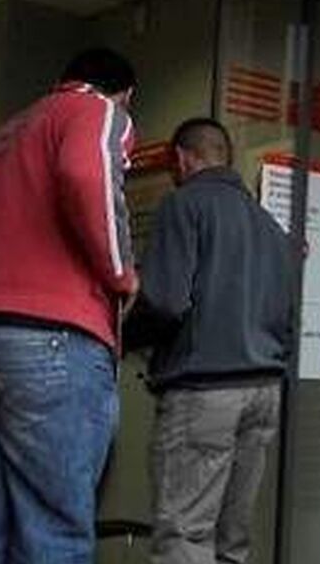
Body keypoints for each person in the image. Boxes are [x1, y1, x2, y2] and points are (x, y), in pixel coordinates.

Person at [0, 47, 139, 563]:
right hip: (49, 337)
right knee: (54, 527)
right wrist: (122, 274)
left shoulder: (8, 132)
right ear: (124, 95)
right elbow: (87, 177)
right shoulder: (97, 111)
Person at [121, 118, 294, 564]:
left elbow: (165, 302)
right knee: (231, 540)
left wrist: (116, 338)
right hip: (264, 392)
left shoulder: (184, 205)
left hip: (204, 391)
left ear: (181, 157)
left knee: (185, 534)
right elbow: (285, 317)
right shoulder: (270, 227)